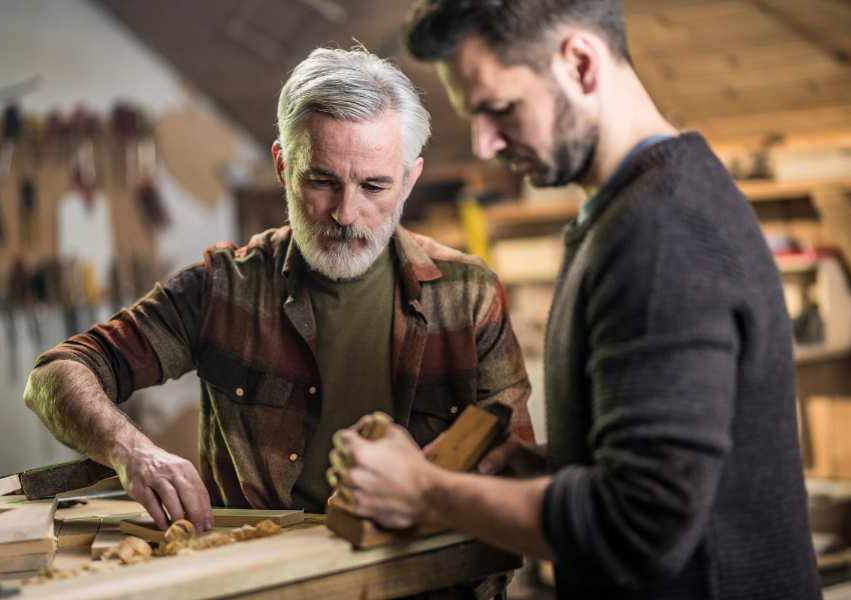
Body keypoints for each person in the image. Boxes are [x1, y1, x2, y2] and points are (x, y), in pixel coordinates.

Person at [327, 2, 821, 598]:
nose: (485, 144)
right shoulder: (642, 207)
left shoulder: (661, 231)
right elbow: (672, 474)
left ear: (581, 64)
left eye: (500, 109)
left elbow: (641, 526)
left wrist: (425, 491)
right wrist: (555, 467)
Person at [24, 47, 534, 537]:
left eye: (374, 187)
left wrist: (425, 491)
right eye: (322, 181)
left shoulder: (470, 295)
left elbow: (518, 475)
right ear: (283, 167)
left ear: (409, 180)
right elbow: (55, 374)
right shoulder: (222, 287)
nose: (345, 214)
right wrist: (131, 451)